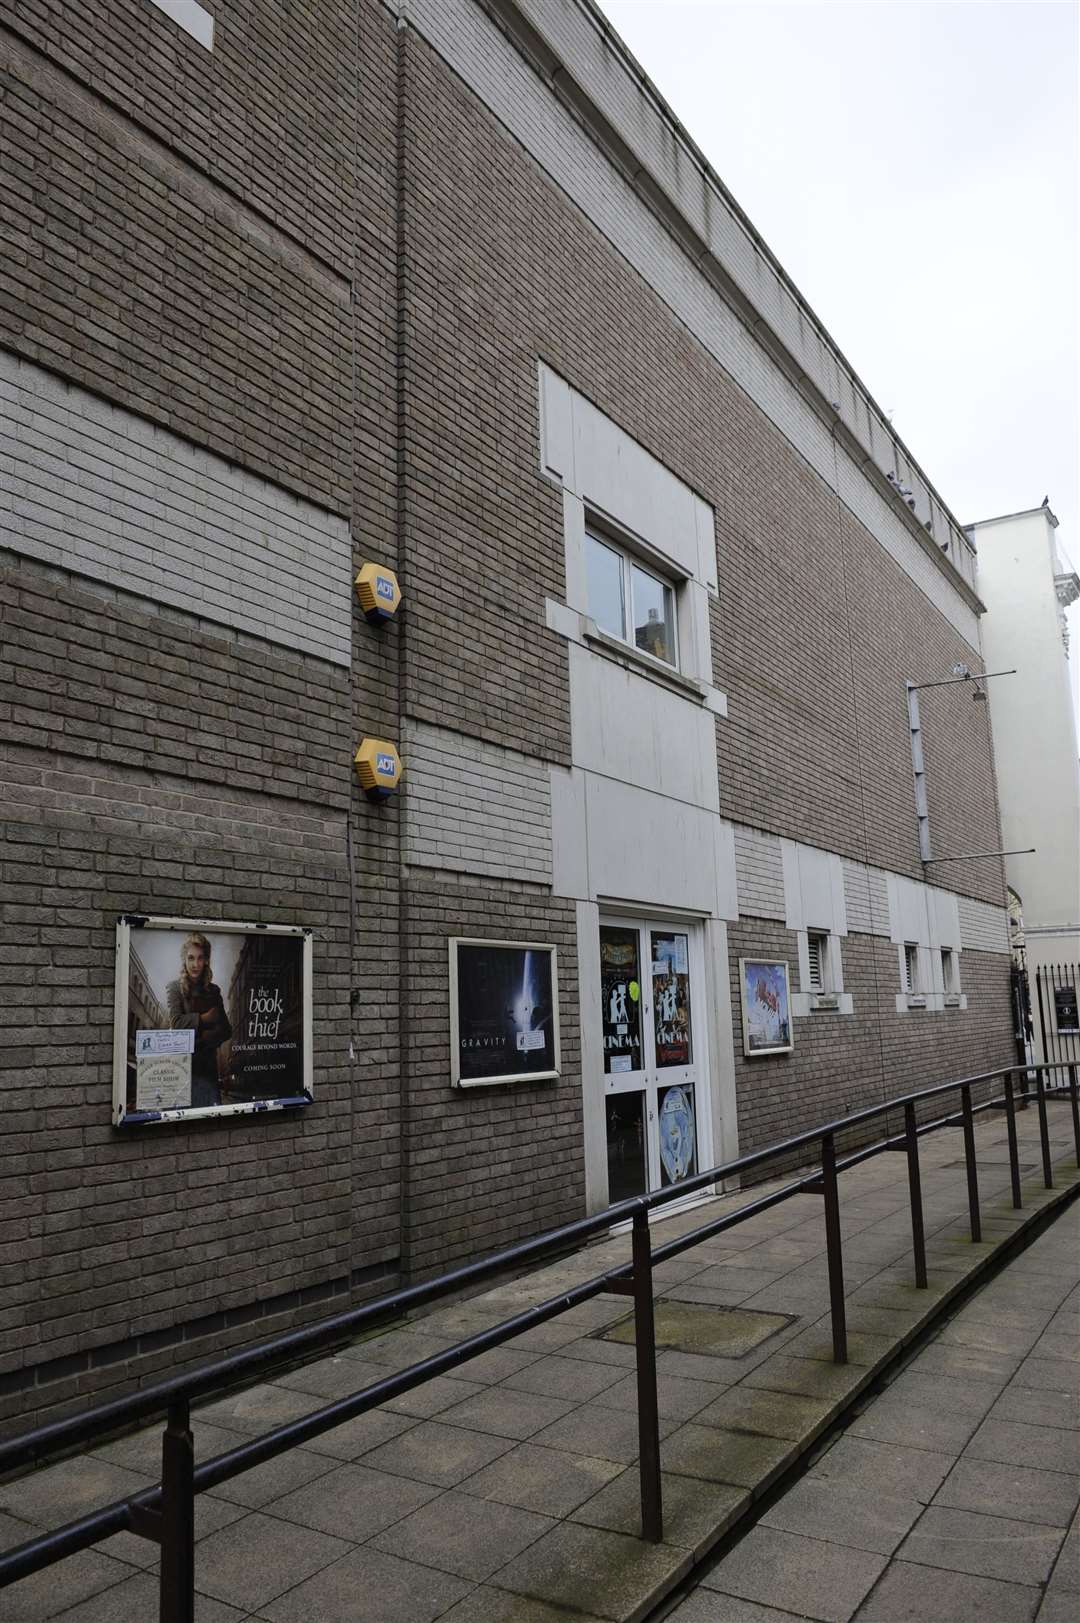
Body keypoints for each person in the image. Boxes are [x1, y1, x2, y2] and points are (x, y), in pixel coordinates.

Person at [166, 932, 232, 1107]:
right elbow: (176, 1023)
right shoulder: (174, 988)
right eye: (191, 958)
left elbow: (226, 1030)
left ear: (206, 961)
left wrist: (203, 1038)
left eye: (200, 958)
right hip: (182, 1068)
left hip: (208, 1071)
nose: (195, 964)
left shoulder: (214, 991)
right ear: (184, 960)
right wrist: (205, 1019)